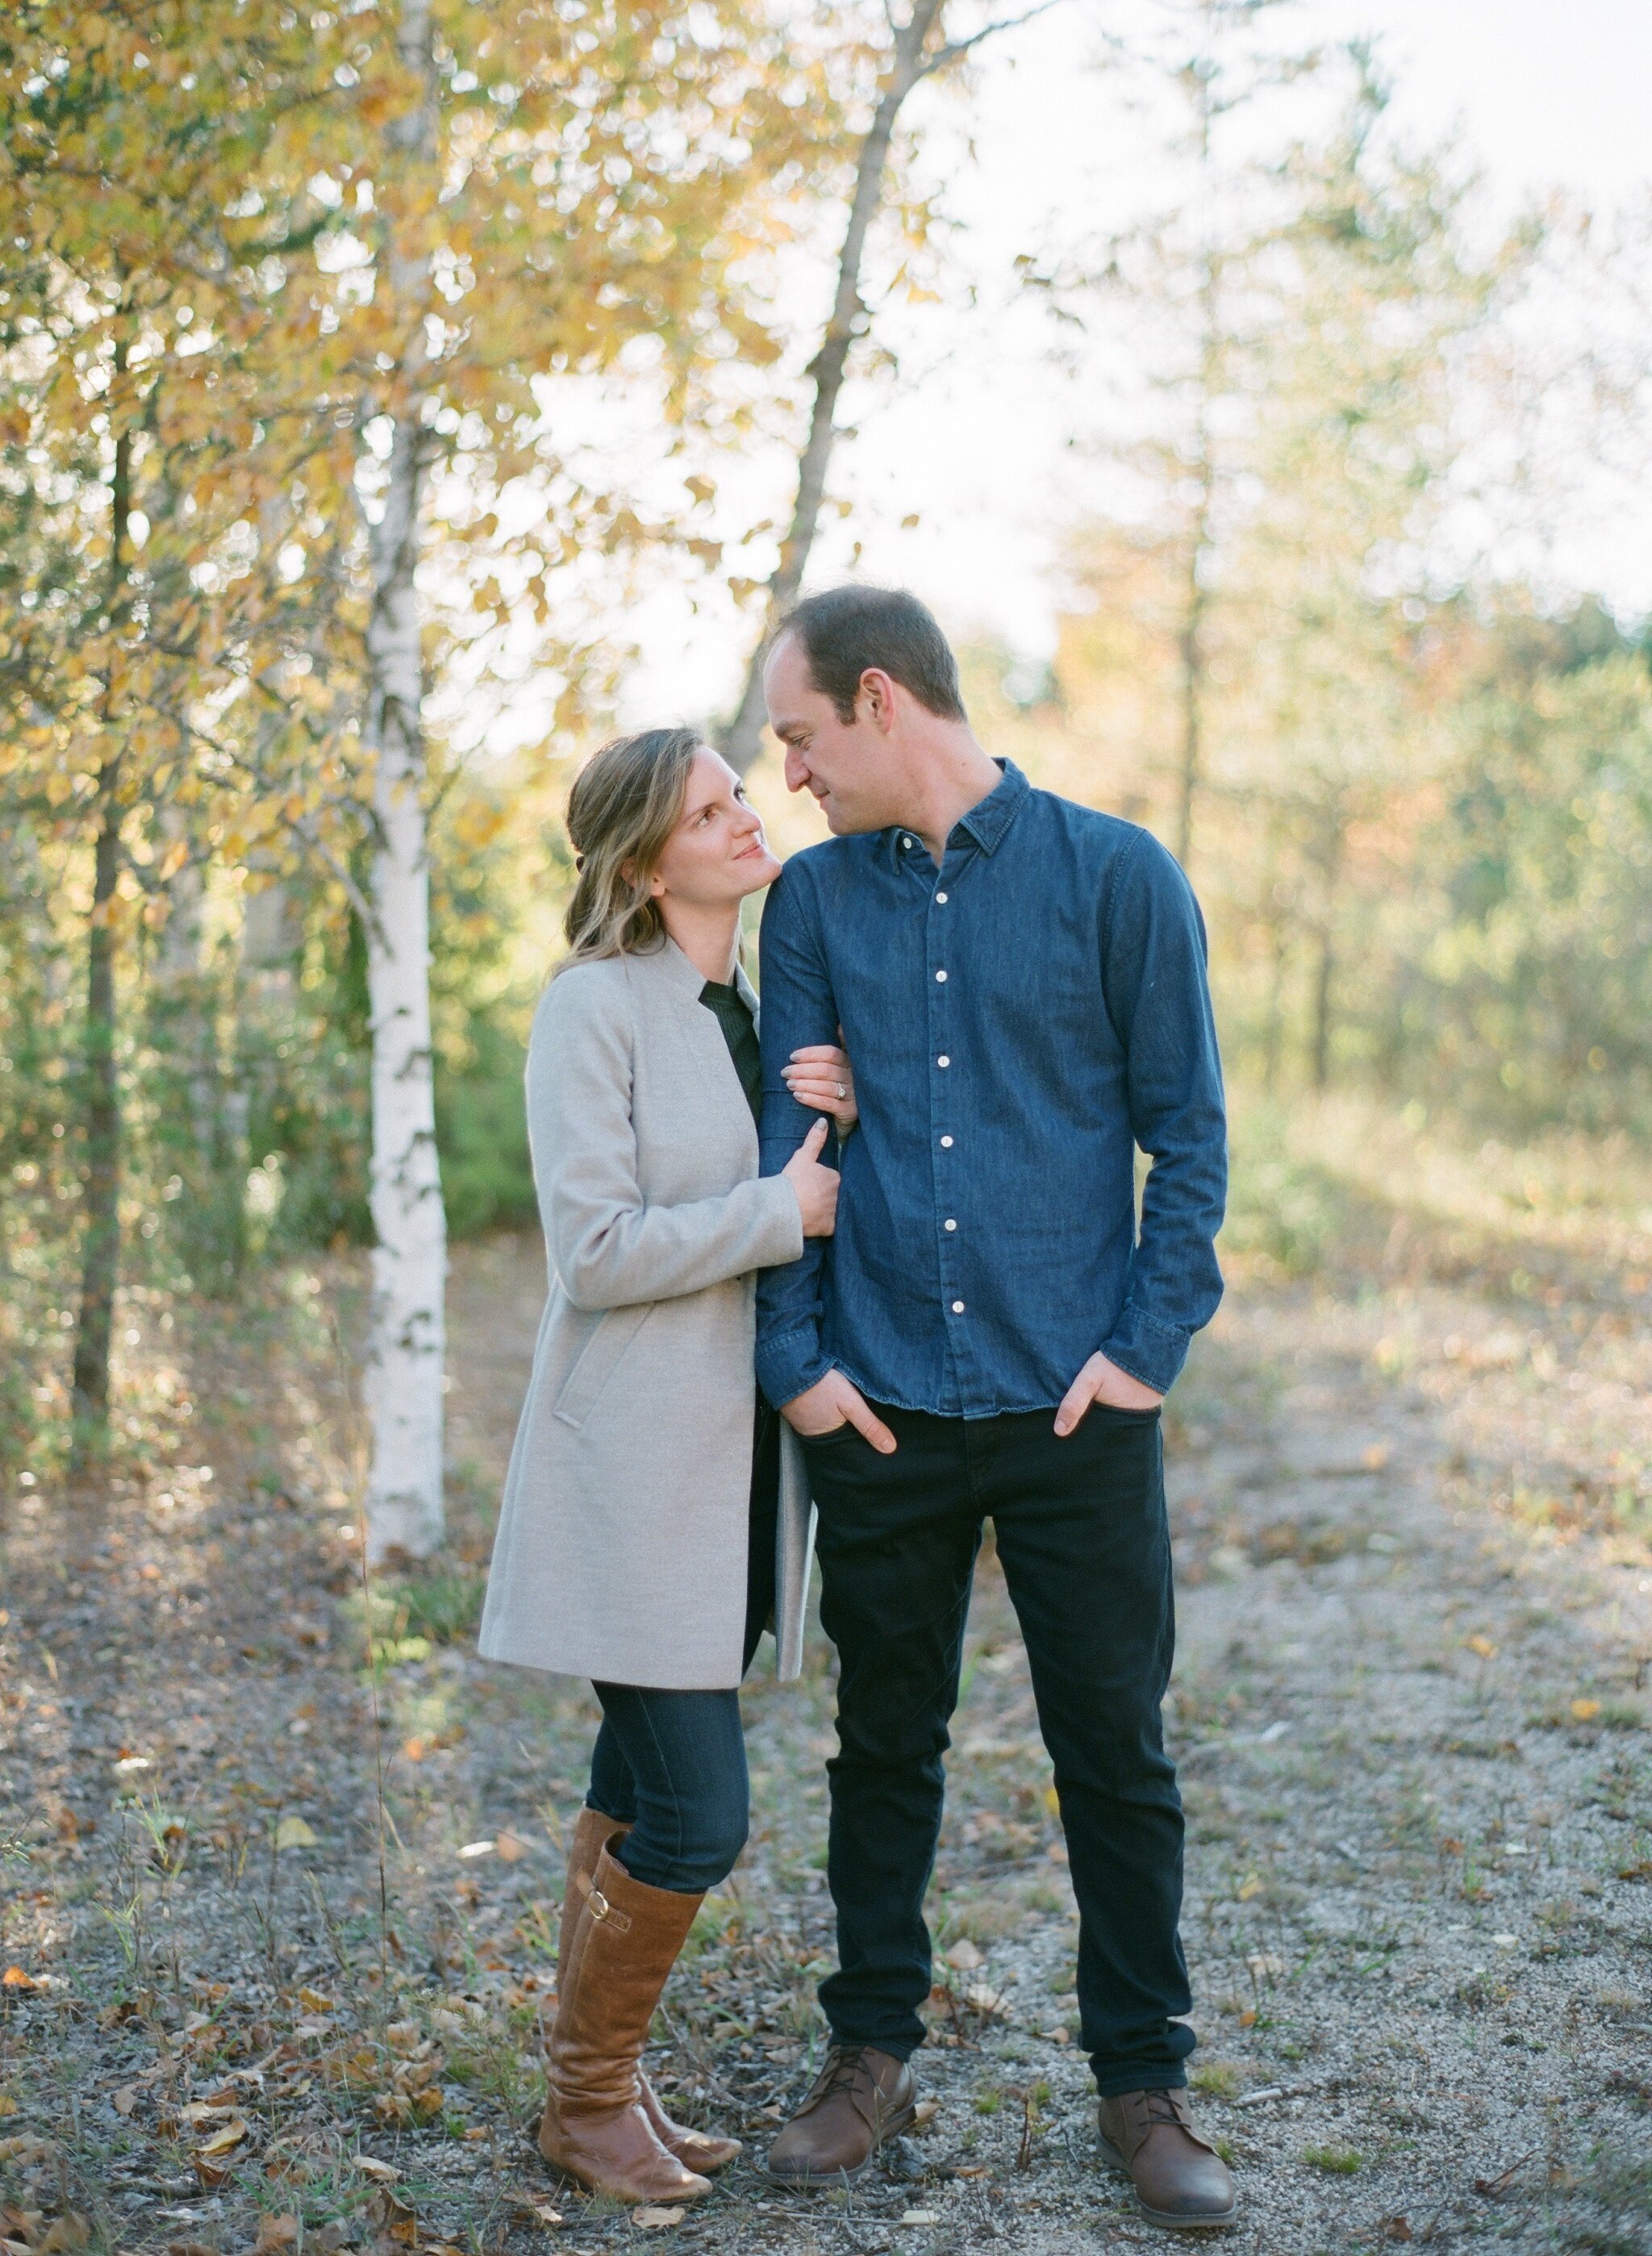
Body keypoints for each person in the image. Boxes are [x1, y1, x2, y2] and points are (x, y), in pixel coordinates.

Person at [753, 588, 1236, 2233]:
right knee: (882, 1747)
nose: (792, 775)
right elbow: (787, 1155)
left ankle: (1143, 2084)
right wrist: (797, 1364)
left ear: (881, 702)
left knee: (1116, 1753)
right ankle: (868, 2054)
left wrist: (1142, 1352)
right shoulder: (810, 906)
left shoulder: (1116, 878)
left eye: (802, 737)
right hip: (879, 1403)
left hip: (1074, 1409)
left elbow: (1190, 1138)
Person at [477, 726, 855, 2206]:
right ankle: (582, 2107)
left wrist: (837, 1123)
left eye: (739, 793)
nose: (745, 816)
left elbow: (800, 1198)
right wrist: (779, 1210)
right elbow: (594, 1248)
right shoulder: (597, 1009)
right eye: (711, 810)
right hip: (631, 1476)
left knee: (634, 1784)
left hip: (735, 1478)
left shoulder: (745, 1011)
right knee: (699, 1813)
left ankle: (601, 2086)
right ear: (645, 860)